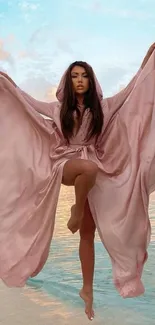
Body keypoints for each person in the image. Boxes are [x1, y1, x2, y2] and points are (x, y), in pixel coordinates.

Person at [0, 43, 155, 321]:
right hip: (66, 163)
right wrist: (6, 82)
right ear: (68, 81)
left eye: (84, 75)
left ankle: (87, 290)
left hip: (96, 165)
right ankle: (75, 209)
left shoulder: (104, 107)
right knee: (88, 168)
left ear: (91, 80)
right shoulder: (58, 108)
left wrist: (147, 63)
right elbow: (24, 100)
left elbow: (134, 88)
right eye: (75, 76)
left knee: (87, 234)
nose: (80, 80)